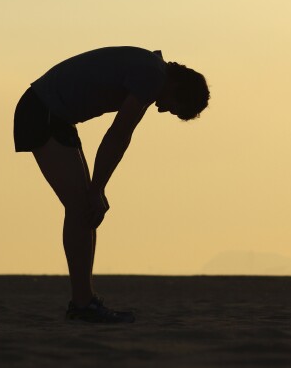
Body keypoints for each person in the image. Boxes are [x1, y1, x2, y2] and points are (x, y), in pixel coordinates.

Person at [13, 46, 209, 323]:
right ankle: (81, 304)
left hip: (55, 116)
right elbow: (118, 135)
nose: (164, 110)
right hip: (40, 111)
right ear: (178, 86)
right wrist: (97, 189)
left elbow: (120, 137)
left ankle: (85, 300)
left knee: (85, 211)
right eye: (174, 107)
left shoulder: (152, 71)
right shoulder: (152, 76)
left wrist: (97, 189)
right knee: (81, 207)